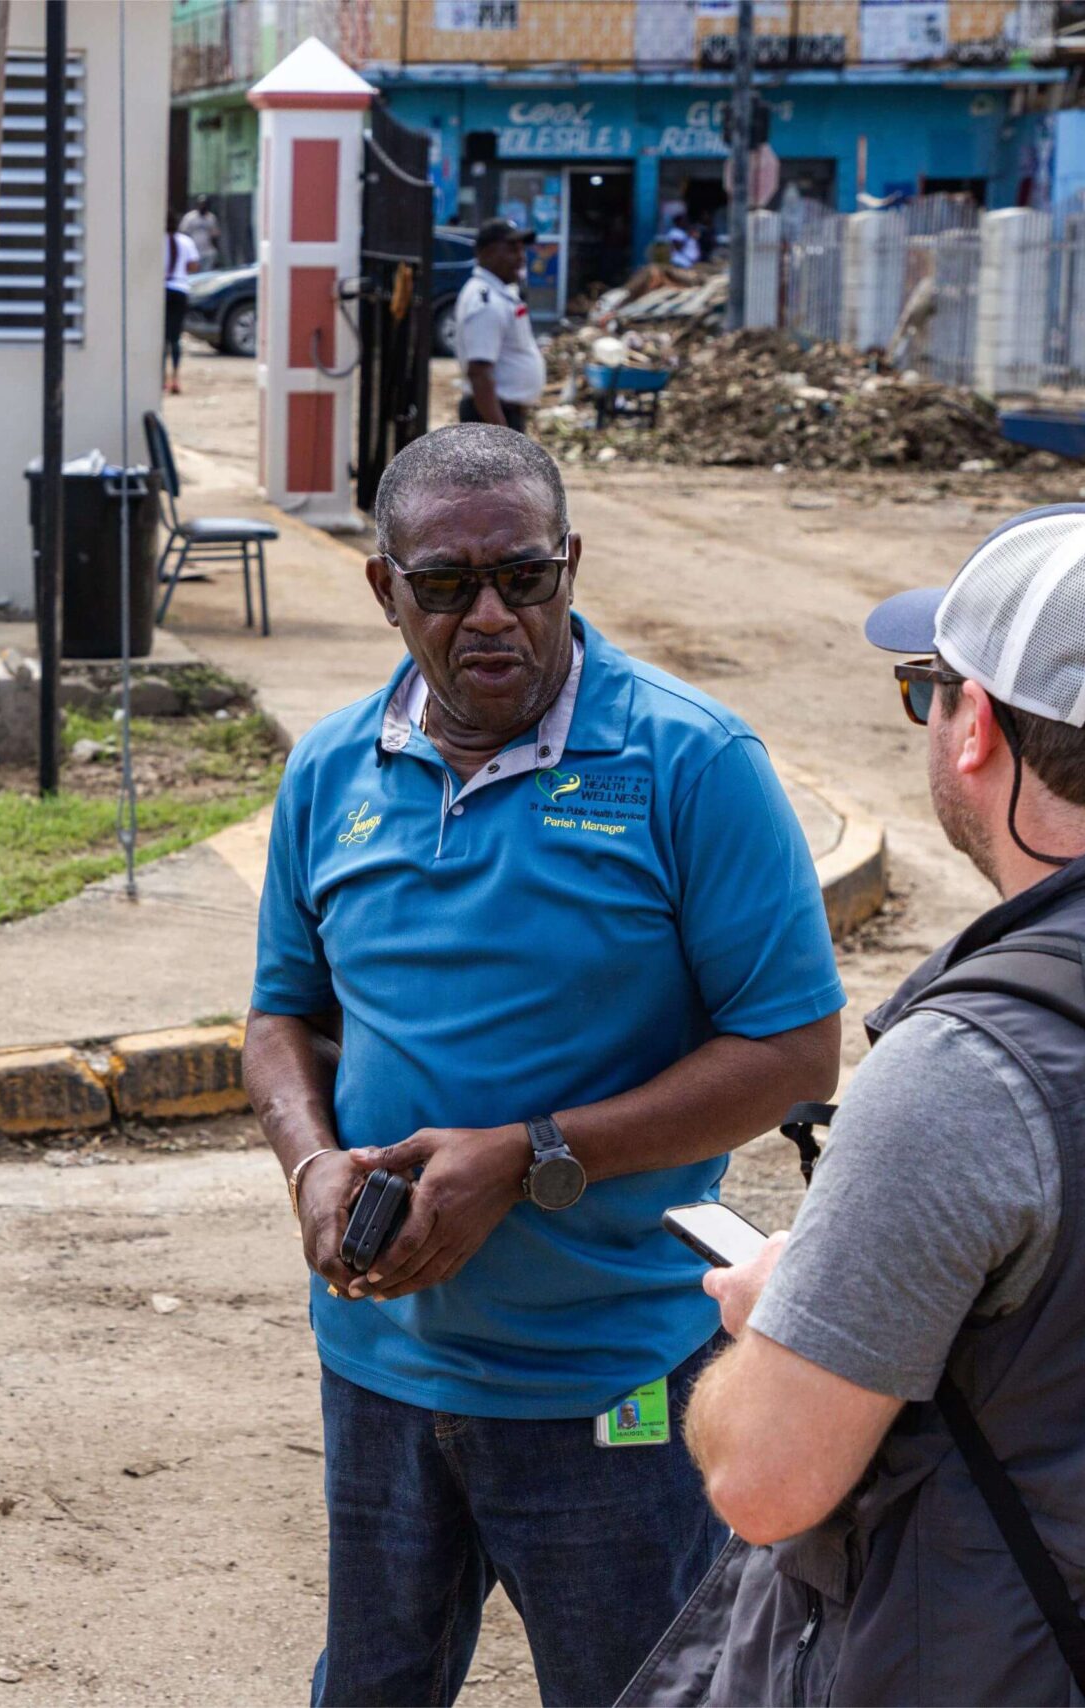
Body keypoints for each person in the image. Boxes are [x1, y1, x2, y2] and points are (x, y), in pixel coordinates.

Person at [650, 504, 1085, 1704]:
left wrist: (772, 1318)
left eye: (930, 689)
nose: (933, 717)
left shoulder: (966, 1066)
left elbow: (765, 1481)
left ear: (978, 731)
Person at [243, 425, 845, 1707]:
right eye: (446, 586)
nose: (492, 616)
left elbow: (793, 1051)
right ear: (383, 588)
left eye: (524, 576)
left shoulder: (692, 765)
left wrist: (530, 1157)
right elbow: (282, 1016)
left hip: (613, 1381)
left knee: (638, 1689)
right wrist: (308, 1163)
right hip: (382, 1369)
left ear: (570, 563)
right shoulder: (332, 769)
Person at [452, 218, 550, 432]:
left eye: (522, 250)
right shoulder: (485, 302)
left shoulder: (501, 293)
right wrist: (503, 438)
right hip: (491, 418)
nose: (521, 258)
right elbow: (479, 373)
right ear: (485, 254)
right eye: (512, 250)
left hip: (501, 415)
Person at [165, 212, 202, 395]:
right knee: (175, 338)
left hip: (162, 290)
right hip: (180, 289)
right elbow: (194, 265)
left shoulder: (157, 241)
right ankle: (175, 378)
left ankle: (162, 378)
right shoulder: (186, 241)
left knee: (161, 337)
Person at [180, 194, 226, 269]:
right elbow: (183, 233)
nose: (203, 206)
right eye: (201, 204)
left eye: (205, 204)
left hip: (207, 252)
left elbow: (215, 235)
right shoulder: (190, 217)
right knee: (194, 275)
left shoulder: (211, 218)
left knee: (206, 274)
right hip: (194, 252)